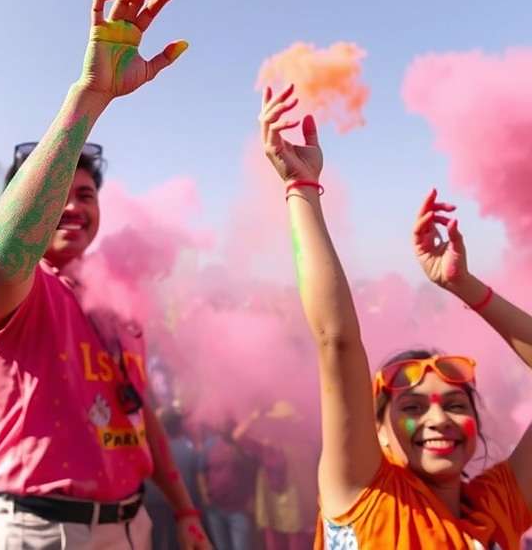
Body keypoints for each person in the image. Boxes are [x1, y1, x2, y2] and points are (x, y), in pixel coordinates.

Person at [0, 0, 210, 549]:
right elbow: (5, 258)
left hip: (133, 523)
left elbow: (138, 410)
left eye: (88, 195)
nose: (74, 207)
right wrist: (90, 98)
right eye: (61, 195)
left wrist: (184, 509)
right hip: (45, 531)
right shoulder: (21, 290)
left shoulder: (116, 297)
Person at [260, 84, 532, 548]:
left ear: (478, 426)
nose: (438, 419)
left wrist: (463, 285)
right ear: (378, 435)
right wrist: (301, 187)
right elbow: (337, 340)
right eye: (410, 407)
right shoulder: (367, 497)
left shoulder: (498, 504)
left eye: (455, 405)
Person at [145, 408, 203, 550]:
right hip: (177, 507)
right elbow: (196, 482)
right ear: (180, 426)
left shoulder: (152, 450)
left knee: (156, 541)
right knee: (176, 542)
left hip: (151, 504)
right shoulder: (189, 449)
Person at [197, 416, 258, 550]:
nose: (223, 426)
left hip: (239, 509)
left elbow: (252, 471)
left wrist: (238, 445)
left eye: (227, 423)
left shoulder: (244, 445)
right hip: (215, 508)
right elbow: (201, 471)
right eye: (221, 423)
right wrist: (204, 494)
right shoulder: (210, 444)